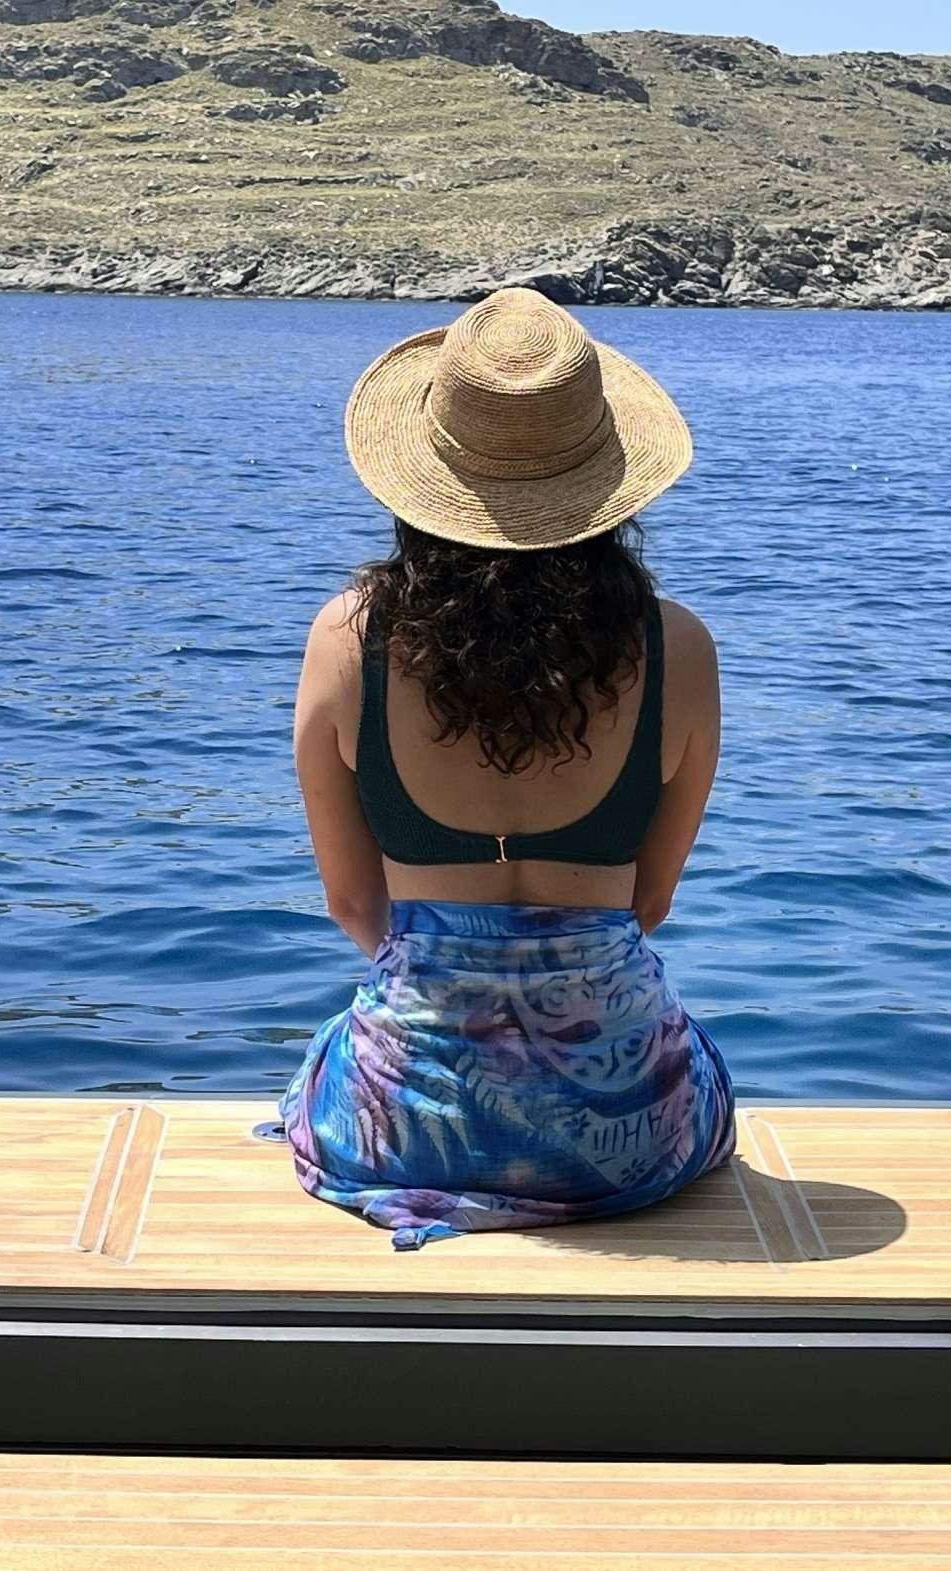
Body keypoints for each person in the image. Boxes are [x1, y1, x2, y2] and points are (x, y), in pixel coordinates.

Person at [278, 287, 734, 1248]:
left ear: (419, 480)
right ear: (609, 488)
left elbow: (353, 905)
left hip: (405, 1132)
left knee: (332, 1056)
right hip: (628, 1138)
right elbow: (646, 903)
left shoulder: (346, 639)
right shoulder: (679, 648)